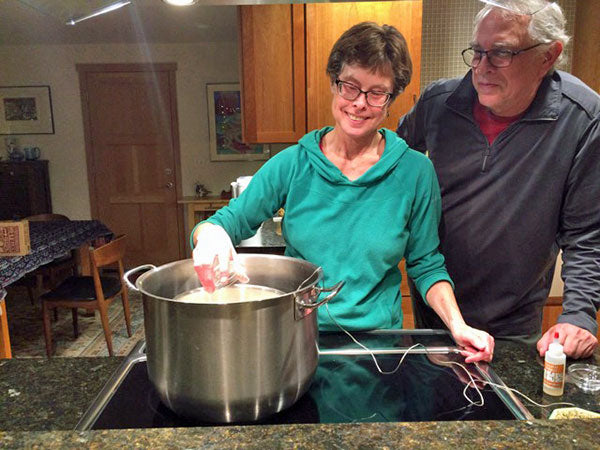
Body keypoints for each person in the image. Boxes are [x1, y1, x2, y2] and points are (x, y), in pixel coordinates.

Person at [192, 22, 494, 363]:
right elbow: (225, 222)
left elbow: (426, 264)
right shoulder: (293, 164)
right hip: (300, 339)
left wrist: (458, 325)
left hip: (381, 347)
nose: (359, 103)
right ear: (334, 83)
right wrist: (209, 238)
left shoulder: (415, 172)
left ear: (392, 99)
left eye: (376, 92)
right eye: (350, 86)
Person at [396, 0, 600, 359]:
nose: (481, 68)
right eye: (477, 51)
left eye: (501, 53)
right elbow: (390, 166)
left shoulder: (582, 119)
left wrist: (579, 315)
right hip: (435, 315)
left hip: (513, 325)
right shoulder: (438, 103)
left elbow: (586, 233)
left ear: (548, 56)